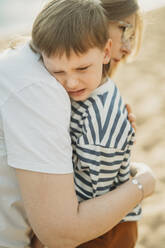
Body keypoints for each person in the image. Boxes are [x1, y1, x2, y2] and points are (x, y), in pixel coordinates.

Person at [0, 1, 155, 248]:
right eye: (126, 31)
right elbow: (67, 228)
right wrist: (142, 183)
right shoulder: (42, 89)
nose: (126, 47)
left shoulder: (35, 65)